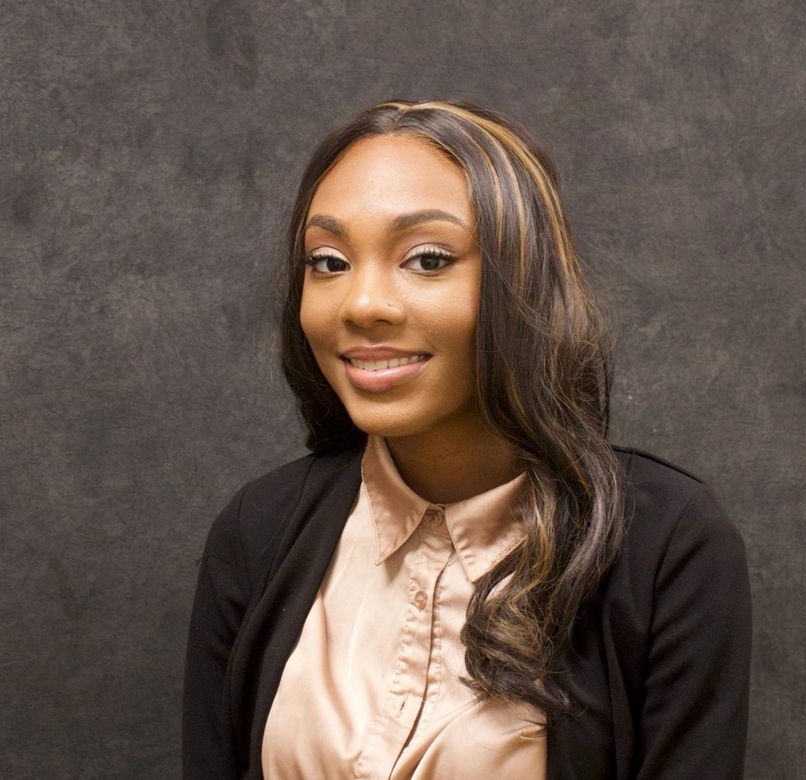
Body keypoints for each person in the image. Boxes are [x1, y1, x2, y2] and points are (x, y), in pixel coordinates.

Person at [182, 100, 752, 780]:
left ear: (525, 279)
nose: (362, 304)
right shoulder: (257, 531)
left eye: (428, 259)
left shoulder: (666, 547)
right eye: (328, 262)